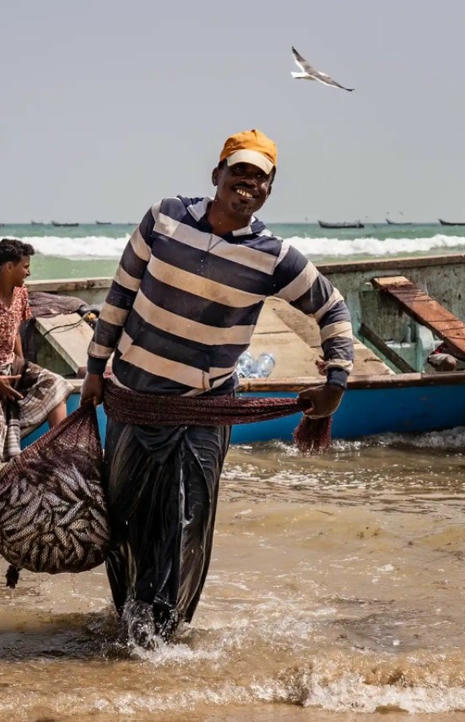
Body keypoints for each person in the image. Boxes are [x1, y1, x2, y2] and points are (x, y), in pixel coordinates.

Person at [80, 129, 354, 644]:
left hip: (204, 410)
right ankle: (128, 624)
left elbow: (332, 307)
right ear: (216, 176)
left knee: (187, 521)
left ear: (268, 191)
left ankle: (164, 636)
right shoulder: (163, 218)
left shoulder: (273, 256)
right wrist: (95, 368)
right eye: (239, 172)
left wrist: (337, 380)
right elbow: (119, 293)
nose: (247, 184)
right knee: (125, 518)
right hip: (133, 401)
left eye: (260, 178)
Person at [0, 238, 70, 467]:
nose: (28, 272)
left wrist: (21, 365)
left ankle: (62, 453)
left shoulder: (21, 294)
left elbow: (15, 330)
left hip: (10, 365)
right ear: (8, 267)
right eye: (25, 266)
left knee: (56, 383)